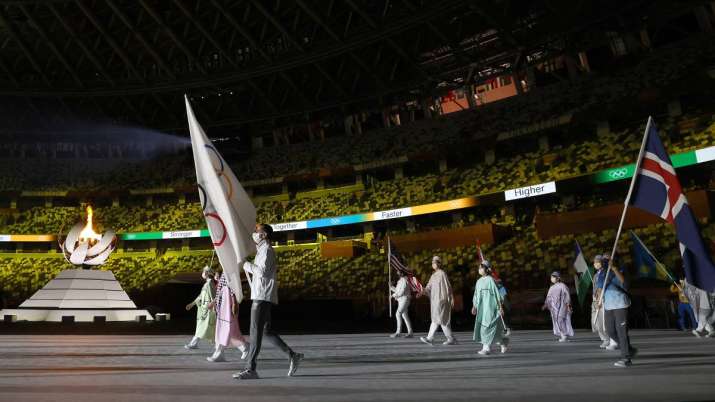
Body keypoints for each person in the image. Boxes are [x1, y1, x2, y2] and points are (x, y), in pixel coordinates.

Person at [233, 224, 304, 380]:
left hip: (261, 297)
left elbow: (261, 272)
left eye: (256, 230)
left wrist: (244, 263)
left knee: (254, 333)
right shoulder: (262, 251)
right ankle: (292, 355)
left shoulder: (267, 251)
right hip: (262, 295)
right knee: (265, 331)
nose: (254, 233)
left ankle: (251, 369)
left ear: (264, 235)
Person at [598, 255, 637, 368]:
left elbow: (624, 283)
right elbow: (600, 287)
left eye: (607, 259)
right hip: (608, 305)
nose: (605, 261)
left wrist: (614, 268)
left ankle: (626, 358)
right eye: (604, 259)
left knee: (622, 332)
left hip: (620, 304)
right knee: (610, 331)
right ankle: (629, 349)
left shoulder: (621, 269)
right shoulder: (603, 273)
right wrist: (599, 299)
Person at [207, 270, 249, 362]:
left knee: (225, 329)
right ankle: (244, 347)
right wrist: (214, 303)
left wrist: (234, 303)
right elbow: (220, 292)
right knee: (230, 331)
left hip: (227, 306)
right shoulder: (224, 273)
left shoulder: (229, 271)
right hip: (223, 307)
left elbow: (232, 289)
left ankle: (219, 353)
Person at [472, 260, 508, 355]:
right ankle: (503, 342)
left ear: (487, 269)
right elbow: (476, 295)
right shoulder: (478, 282)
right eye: (479, 267)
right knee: (494, 331)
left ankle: (486, 348)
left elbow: (497, 294)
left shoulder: (491, 280)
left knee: (487, 327)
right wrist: (474, 306)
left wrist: (500, 307)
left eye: (481, 267)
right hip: (482, 309)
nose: (479, 269)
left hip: (491, 308)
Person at [419, 256, 456, 345]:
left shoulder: (442, 274)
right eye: (432, 262)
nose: (433, 264)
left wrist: (451, 298)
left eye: (435, 262)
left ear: (439, 263)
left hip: (442, 300)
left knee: (440, 320)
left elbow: (448, 287)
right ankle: (450, 339)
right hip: (435, 301)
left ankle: (430, 338)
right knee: (439, 320)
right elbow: (428, 287)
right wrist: (421, 291)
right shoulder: (433, 275)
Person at [184, 266, 217, 350]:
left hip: (208, 310)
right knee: (202, 328)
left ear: (207, 273)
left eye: (204, 272)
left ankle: (219, 346)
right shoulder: (207, 284)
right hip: (204, 310)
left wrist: (214, 307)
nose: (203, 273)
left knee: (207, 328)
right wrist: (192, 304)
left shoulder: (210, 283)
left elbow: (214, 296)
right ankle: (194, 343)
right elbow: (200, 296)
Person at [592, 255, 616, 349]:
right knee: (597, 322)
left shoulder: (606, 272)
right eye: (595, 262)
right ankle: (605, 339)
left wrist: (599, 299)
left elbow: (601, 287)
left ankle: (611, 340)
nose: (596, 264)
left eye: (598, 262)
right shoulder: (596, 275)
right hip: (596, 299)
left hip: (604, 299)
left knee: (605, 321)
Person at [542, 271, 574, 342]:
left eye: (553, 277)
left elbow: (567, 295)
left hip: (563, 305)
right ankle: (563, 335)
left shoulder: (563, 285)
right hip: (554, 307)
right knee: (557, 321)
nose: (551, 278)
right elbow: (548, 297)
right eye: (551, 277)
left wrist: (568, 304)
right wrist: (546, 304)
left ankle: (565, 335)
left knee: (560, 320)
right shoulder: (552, 287)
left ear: (558, 278)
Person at [390, 269, 413, 338]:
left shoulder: (404, 280)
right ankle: (410, 332)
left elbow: (401, 292)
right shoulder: (400, 281)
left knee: (398, 314)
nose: (397, 273)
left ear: (402, 273)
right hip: (401, 300)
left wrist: (393, 295)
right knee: (405, 316)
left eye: (398, 272)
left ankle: (398, 332)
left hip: (405, 299)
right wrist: (391, 286)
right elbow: (397, 290)